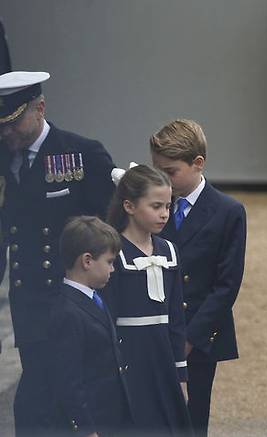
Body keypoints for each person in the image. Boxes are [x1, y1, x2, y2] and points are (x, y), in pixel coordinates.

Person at [0, 71, 117, 436]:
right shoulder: (4, 157)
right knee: (40, 388)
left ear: (40, 108)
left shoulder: (82, 154)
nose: (6, 134)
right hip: (30, 299)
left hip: (71, 300)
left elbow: (109, 228)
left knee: (72, 390)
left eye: (13, 124)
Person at [150, 119, 247, 437]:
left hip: (198, 335)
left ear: (198, 163)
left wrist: (189, 338)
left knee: (191, 419)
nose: (164, 178)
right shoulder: (151, 207)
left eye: (171, 171)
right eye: (157, 170)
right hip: (153, 328)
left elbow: (226, 284)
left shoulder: (227, 211)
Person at [104, 165, 194, 436]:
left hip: (163, 361)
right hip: (130, 362)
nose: (164, 213)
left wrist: (180, 374)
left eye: (168, 205)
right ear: (129, 206)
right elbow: (107, 318)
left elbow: (176, 320)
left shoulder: (169, 251)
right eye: (156, 206)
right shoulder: (114, 254)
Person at [47, 216, 133, 437]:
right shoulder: (68, 312)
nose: (113, 269)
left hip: (110, 418)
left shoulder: (95, 298)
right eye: (109, 261)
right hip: (92, 423)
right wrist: (85, 429)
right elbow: (69, 381)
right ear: (87, 261)